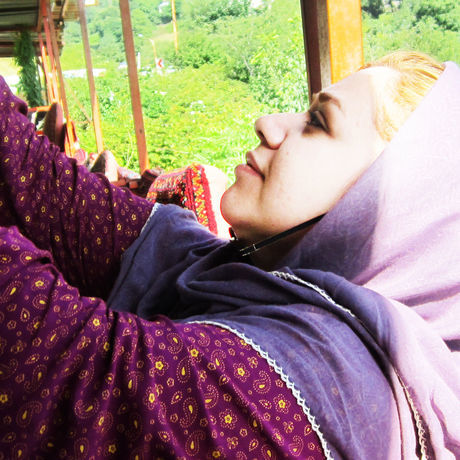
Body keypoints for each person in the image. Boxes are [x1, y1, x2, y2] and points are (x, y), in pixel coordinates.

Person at [0, 50, 459, 459]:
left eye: (318, 122)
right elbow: (35, 181)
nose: (268, 122)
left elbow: (64, 364)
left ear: (396, 210)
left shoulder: (333, 390)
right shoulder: (224, 273)